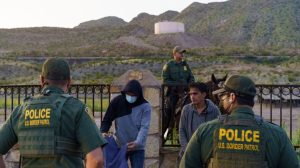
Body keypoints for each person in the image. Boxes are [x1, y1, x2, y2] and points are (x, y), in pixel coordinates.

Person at [0, 58, 107, 168]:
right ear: (69, 81)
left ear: (42, 80)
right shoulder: (77, 109)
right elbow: (96, 159)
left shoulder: (20, 110)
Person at [179, 75, 299, 168]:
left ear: (232, 97)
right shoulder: (277, 135)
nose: (221, 99)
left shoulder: (205, 131)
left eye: (223, 96)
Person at [100, 79, 151, 168]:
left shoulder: (145, 106)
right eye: (128, 94)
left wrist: (137, 143)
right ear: (125, 93)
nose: (130, 97)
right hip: (120, 145)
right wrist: (103, 133)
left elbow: (144, 127)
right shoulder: (117, 102)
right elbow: (107, 120)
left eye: (133, 95)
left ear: (138, 95)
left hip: (137, 147)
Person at [178, 82, 220, 159]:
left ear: (204, 94)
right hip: (188, 154)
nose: (192, 97)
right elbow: (182, 130)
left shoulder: (214, 110)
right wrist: (187, 149)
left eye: (195, 94)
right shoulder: (186, 110)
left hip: (206, 155)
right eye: (190, 94)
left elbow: (218, 131)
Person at [162, 46, 195, 138]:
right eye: (180, 53)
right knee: (169, 109)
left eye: (182, 53)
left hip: (186, 91)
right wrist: (177, 84)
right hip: (174, 92)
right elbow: (165, 80)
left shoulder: (185, 65)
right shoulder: (168, 65)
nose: (182, 54)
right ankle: (167, 127)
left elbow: (191, 76)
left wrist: (190, 84)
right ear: (174, 54)